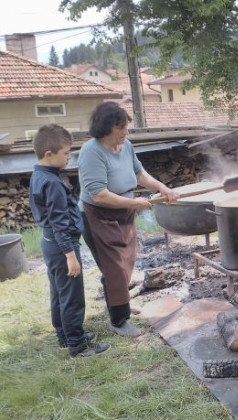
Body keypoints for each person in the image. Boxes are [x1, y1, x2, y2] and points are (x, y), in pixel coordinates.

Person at [78, 102, 179, 337]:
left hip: (123, 212)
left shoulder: (126, 146)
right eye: (122, 128)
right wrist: (135, 203)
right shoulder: (91, 152)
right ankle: (119, 320)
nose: (126, 132)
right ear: (107, 127)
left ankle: (118, 303)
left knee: (126, 262)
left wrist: (162, 187)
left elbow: (139, 174)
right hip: (99, 215)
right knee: (114, 267)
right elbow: (99, 194)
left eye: (126, 128)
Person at [29, 124, 111, 357]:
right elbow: (59, 222)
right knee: (72, 297)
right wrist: (70, 255)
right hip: (62, 246)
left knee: (59, 293)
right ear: (49, 154)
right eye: (66, 153)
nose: (69, 157)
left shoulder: (39, 175)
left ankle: (64, 336)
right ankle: (77, 345)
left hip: (50, 244)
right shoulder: (53, 182)